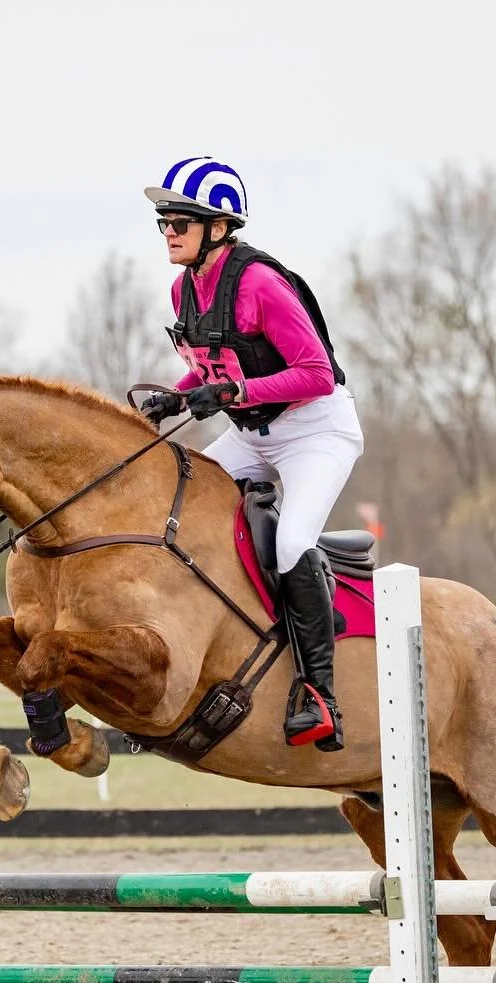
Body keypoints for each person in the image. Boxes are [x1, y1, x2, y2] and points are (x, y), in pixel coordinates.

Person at [140, 156, 363, 753]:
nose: (168, 231)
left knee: (291, 543)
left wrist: (235, 393)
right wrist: (175, 396)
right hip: (250, 434)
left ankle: (320, 695)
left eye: (179, 220)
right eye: (163, 221)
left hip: (315, 431)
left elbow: (316, 374)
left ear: (218, 226)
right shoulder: (183, 287)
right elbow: (215, 367)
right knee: (177, 507)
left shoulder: (261, 284)